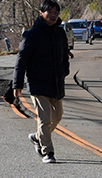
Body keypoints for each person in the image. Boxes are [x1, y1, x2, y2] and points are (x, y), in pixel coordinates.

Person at [12, 0, 71, 164]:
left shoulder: (60, 33)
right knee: (44, 119)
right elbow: (21, 61)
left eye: (55, 13)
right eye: (49, 12)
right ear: (41, 13)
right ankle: (48, 152)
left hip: (56, 83)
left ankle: (37, 137)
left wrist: (65, 71)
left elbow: (65, 54)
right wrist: (16, 85)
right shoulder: (31, 35)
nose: (53, 16)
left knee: (57, 117)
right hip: (38, 84)